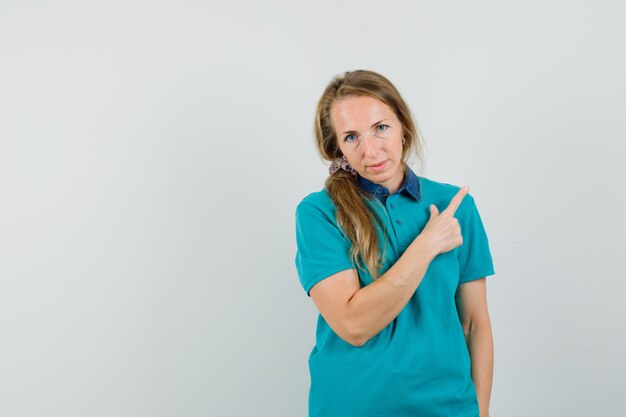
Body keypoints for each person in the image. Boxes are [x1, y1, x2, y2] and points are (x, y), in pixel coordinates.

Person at [294, 70, 496, 417]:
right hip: (351, 407)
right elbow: (353, 325)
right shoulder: (318, 213)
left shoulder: (455, 206)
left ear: (404, 126)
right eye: (352, 136)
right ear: (337, 148)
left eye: (381, 127)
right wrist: (426, 245)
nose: (370, 150)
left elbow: (475, 324)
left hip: (448, 408)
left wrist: (481, 412)